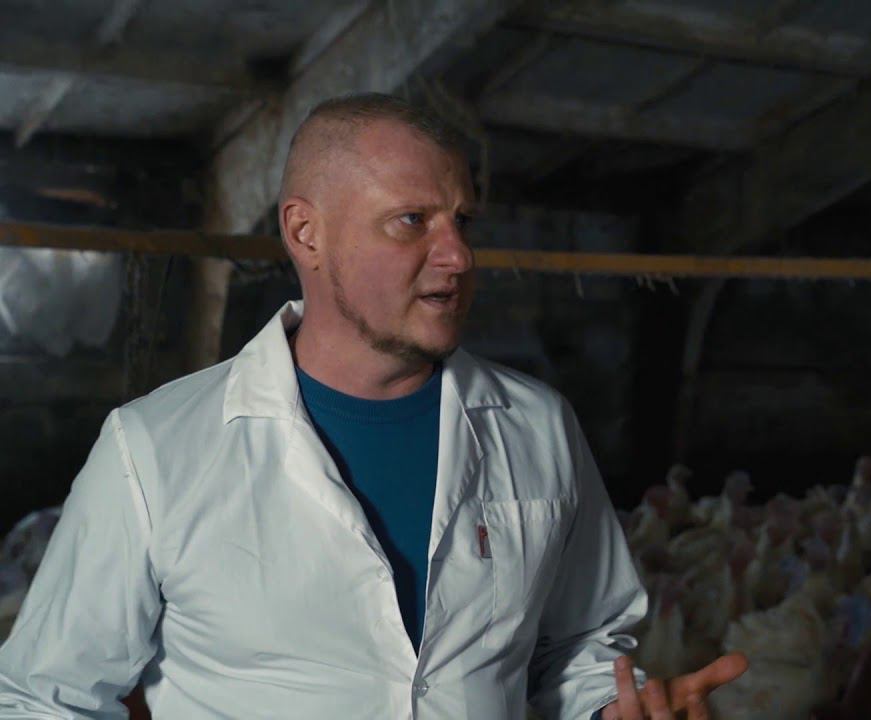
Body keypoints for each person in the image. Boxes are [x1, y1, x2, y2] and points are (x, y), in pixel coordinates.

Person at [0, 93, 745, 719]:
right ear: (306, 233)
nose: (458, 256)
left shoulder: (538, 426)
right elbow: (43, 697)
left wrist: (613, 707)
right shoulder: (154, 449)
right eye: (412, 221)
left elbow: (580, 645)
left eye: (463, 222)